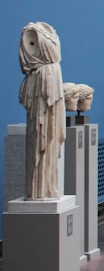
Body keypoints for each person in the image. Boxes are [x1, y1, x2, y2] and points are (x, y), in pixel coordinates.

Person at [18, 21, 66, 200]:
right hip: (44, 84)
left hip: (52, 81)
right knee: (40, 137)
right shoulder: (31, 33)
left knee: (51, 139)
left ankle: (47, 187)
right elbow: (26, 60)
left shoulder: (52, 64)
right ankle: (37, 190)